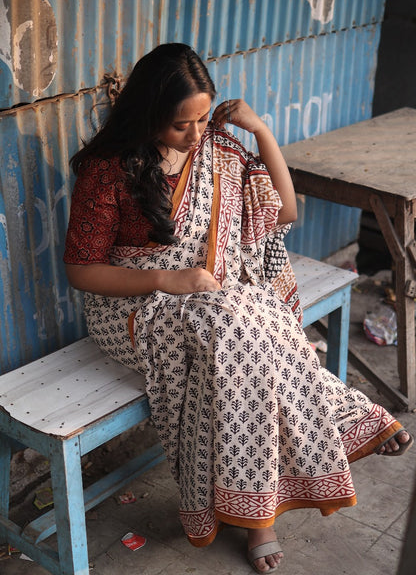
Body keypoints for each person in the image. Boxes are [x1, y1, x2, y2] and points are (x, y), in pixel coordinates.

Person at [64, 43, 413, 574]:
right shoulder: (107, 170)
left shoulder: (218, 153)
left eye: (205, 117)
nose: (198, 133)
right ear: (150, 113)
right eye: (183, 124)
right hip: (132, 307)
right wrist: (169, 278)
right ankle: (334, 419)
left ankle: (254, 510)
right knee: (241, 323)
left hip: (215, 300)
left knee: (246, 322)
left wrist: (261, 131)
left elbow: (285, 211)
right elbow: (81, 270)